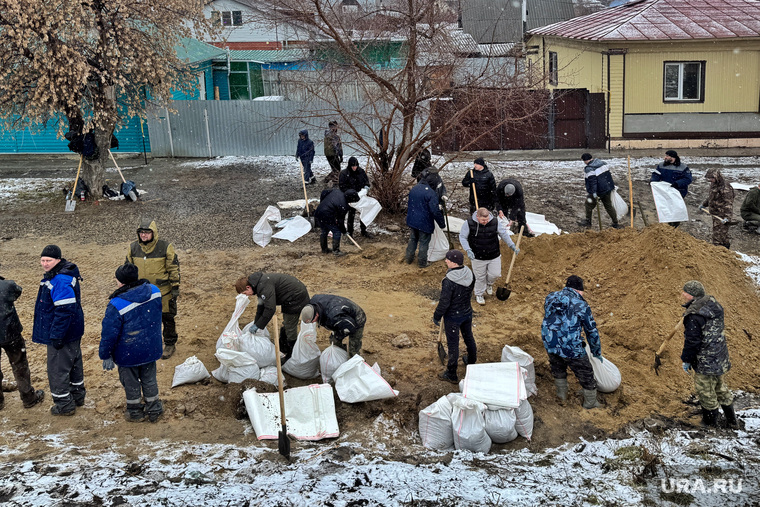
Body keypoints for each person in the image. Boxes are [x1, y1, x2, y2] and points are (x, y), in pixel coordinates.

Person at [99, 264, 164, 423]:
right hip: (150, 348)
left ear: (121, 282)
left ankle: (135, 412)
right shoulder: (155, 291)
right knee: (149, 379)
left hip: (128, 353)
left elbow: (109, 333)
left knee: (131, 382)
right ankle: (154, 409)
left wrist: (105, 354)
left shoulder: (116, 304)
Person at [32, 245, 85, 416]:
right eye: (43, 260)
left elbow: (64, 311)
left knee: (57, 369)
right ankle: (77, 396)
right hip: (73, 331)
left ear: (58, 260)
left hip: (63, 333)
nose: (45, 264)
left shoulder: (59, 280)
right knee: (74, 363)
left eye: (49, 260)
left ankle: (64, 405)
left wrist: (56, 335)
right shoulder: (63, 275)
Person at [680, 280, 737, 428]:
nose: (682, 294)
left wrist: (687, 359)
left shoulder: (694, 315)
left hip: (706, 359)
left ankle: (710, 424)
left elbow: (693, 342)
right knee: (720, 387)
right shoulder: (714, 305)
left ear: (692, 295)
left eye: (685, 292)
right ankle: (732, 421)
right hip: (719, 355)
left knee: (706, 391)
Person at [541, 275, 603, 409]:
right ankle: (590, 402)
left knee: (557, 367)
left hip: (550, 341)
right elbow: (591, 330)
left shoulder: (550, 297)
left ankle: (561, 395)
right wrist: (596, 351)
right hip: (571, 346)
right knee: (586, 373)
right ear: (579, 290)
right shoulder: (581, 304)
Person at [126, 220, 180, 360]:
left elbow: (173, 267)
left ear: (153, 233)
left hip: (163, 292)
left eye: (147, 232)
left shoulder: (165, 247)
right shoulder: (133, 248)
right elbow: (128, 269)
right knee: (144, 319)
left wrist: (175, 287)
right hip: (141, 292)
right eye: (141, 232)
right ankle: (149, 342)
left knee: (167, 318)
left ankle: (169, 343)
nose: (144, 235)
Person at [234, 272, 310, 357]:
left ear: (248, 287)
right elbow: (261, 306)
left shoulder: (263, 287)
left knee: (290, 325)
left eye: (245, 293)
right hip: (289, 297)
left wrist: (259, 325)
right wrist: (256, 322)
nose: (247, 295)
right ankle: (283, 345)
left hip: (296, 297)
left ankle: (291, 351)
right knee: (287, 323)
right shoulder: (258, 285)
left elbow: (270, 309)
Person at [0, 272, 45, 411]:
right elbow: (17, 292)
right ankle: (28, 398)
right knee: (19, 365)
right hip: (10, 332)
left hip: (9, 332)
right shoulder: (7, 285)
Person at [459, 207, 518, 306]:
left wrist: (512, 245)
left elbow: (503, 234)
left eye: (487, 220)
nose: (485, 222)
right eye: (483, 220)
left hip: (493, 254)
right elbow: (462, 237)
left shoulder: (494, 222)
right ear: (477, 217)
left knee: (495, 274)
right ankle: (479, 294)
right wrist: (468, 249)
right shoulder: (469, 223)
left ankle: (489, 284)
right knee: (480, 277)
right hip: (477, 256)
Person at [433, 250, 476, 384]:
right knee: (468, 336)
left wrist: (437, 315)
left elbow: (445, 302)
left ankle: (451, 373)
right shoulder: (469, 274)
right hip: (467, 312)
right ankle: (471, 360)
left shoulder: (449, 281)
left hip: (453, 316)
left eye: (448, 260)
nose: (445, 261)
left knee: (453, 345)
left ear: (454, 262)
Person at [300, 294, 366, 358]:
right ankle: (341, 357)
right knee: (334, 341)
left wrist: (338, 336)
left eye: (312, 320)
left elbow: (351, 328)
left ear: (316, 315)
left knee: (353, 347)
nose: (313, 322)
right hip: (341, 314)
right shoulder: (313, 303)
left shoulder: (334, 317)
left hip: (357, 318)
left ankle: (356, 361)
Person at [405, 176, 446, 268]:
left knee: (413, 239)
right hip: (425, 222)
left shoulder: (415, 188)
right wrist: (442, 224)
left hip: (412, 220)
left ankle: (408, 258)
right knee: (424, 243)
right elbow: (435, 211)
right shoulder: (430, 193)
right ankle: (422, 263)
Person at [579, 153, 622, 229]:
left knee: (588, 204)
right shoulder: (602, 163)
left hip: (598, 191)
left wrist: (594, 192)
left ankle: (588, 221)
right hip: (607, 188)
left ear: (585, 160)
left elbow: (593, 182)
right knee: (608, 206)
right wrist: (610, 186)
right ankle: (615, 222)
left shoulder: (589, 169)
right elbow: (608, 176)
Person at [651, 150, 692, 227]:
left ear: (672, 157)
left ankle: (674, 224)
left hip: (678, 191)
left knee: (676, 208)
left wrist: (677, 184)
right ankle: (668, 223)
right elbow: (656, 174)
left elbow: (688, 179)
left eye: (667, 156)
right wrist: (653, 181)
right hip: (665, 191)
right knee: (666, 206)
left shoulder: (683, 167)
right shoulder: (661, 165)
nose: (665, 158)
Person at [315, 188, 360, 256]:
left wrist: (322, 202)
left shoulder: (337, 191)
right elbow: (340, 221)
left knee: (324, 230)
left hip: (319, 211)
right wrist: (344, 231)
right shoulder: (343, 205)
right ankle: (336, 251)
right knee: (337, 232)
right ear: (350, 199)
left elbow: (324, 192)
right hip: (327, 214)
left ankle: (324, 249)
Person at [699, 168, 734, 249]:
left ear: (717, 176)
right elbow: (711, 197)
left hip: (722, 215)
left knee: (718, 236)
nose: (710, 180)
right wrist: (704, 204)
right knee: (722, 234)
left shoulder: (725, 187)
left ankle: (718, 252)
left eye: (712, 178)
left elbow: (728, 203)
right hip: (715, 213)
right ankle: (725, 250)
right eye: (709, 178)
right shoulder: (714, 184)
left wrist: (727, 218)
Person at [338, 156, 372, 238]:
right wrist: (351, 193)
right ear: (349, 166)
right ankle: (350, 232)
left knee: (363, 213)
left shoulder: (361, 172)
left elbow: (366, 182)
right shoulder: (344, 174)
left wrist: (366, 188)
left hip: (361, 196)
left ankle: (363, 230)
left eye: (356, 166)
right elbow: (342, 187)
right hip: (351, 197)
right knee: (351, 215)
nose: (354, 168)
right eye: (353, 166)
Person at [323, 120, 343, 186]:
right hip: (333, 154)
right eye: (336, 126)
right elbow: (337, 147)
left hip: (328, 154)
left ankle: (327, 179)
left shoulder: (326, 135)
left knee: (334, 168)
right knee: (337, 169)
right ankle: (335, 181)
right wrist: (340, 155)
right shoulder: (334, 136)